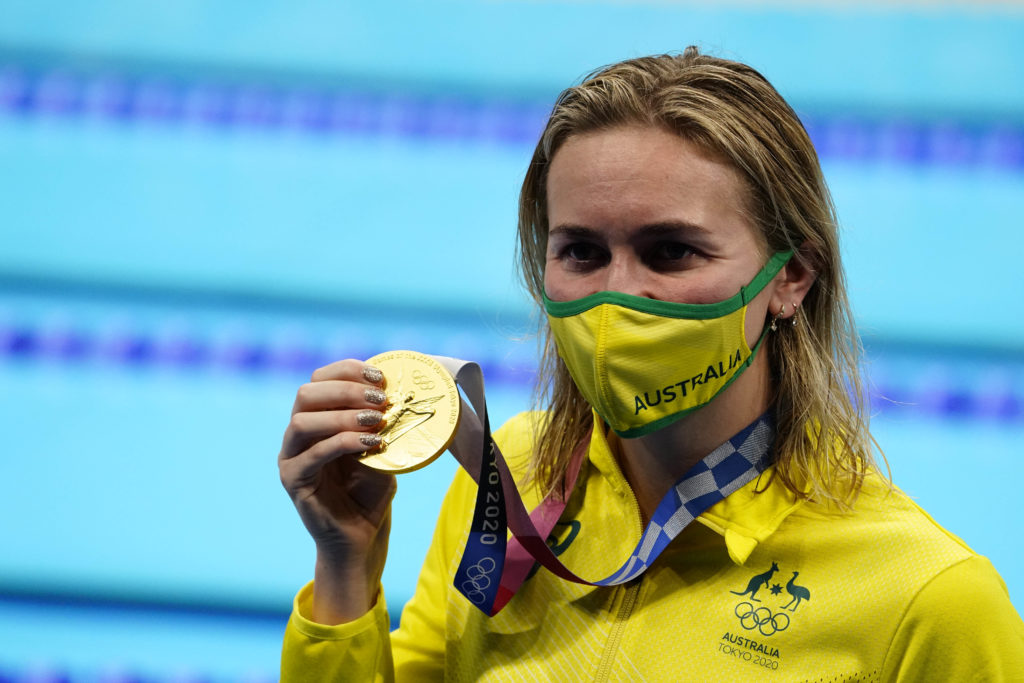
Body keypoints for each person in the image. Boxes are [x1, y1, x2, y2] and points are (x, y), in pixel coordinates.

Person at [277, 47, 1024, 680]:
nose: (617, 295)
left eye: (670, 251)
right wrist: (347, 563)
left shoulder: (929, 601)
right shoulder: (509, 479)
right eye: (582, 252)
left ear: (790, 277)